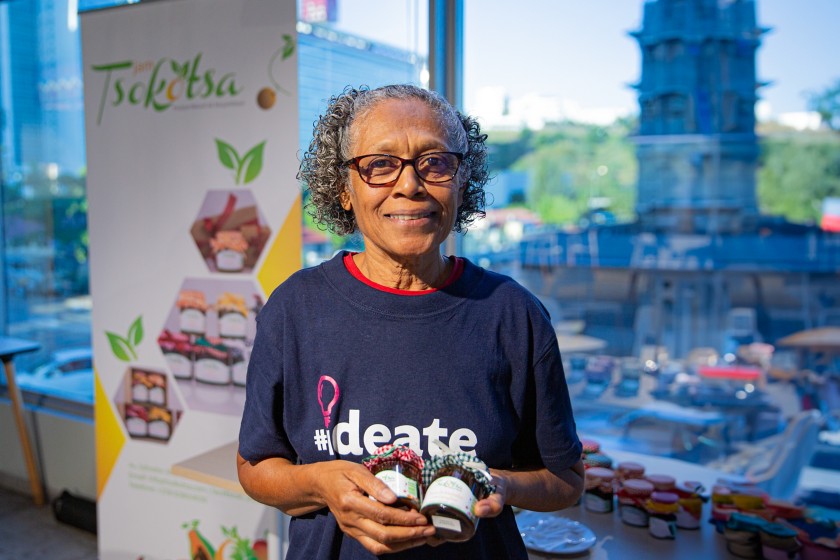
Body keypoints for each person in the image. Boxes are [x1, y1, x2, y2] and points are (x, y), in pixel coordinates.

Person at [237, 84, 584, 559]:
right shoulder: (295, 309)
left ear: (463, 181)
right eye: (380, 164)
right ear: (343, 188)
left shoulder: (512, 313)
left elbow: (565, 479)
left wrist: (497, 484)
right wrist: (318, 483)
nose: (409, 184)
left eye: (435, 162)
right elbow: (255, 466)